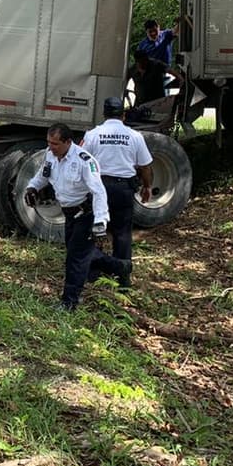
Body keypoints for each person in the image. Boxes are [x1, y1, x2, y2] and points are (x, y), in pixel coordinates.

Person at [24, 123, 131, 310]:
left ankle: (69, 301)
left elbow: (99, 192)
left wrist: (100, 222)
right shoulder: (51, 155)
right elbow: (43, 175)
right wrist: (32, 187)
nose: (51, 147)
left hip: (86, 214)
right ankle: (120, 267)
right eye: (49, 142)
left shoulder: (84, 161)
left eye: (55, 143)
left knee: (75, 258)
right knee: (82, 252)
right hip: (68, 214)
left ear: (67, 142)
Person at [82, 97, 153, 285]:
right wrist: (147, 187)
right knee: (122, 233)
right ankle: (122, 276)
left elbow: (80, 159)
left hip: (99, 188)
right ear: (123, 115)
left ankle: (93, 273)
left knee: (95, 230)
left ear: (103, 114)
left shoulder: (93, 135)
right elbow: (145, 166)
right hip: (123, 189)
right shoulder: (134, 136)